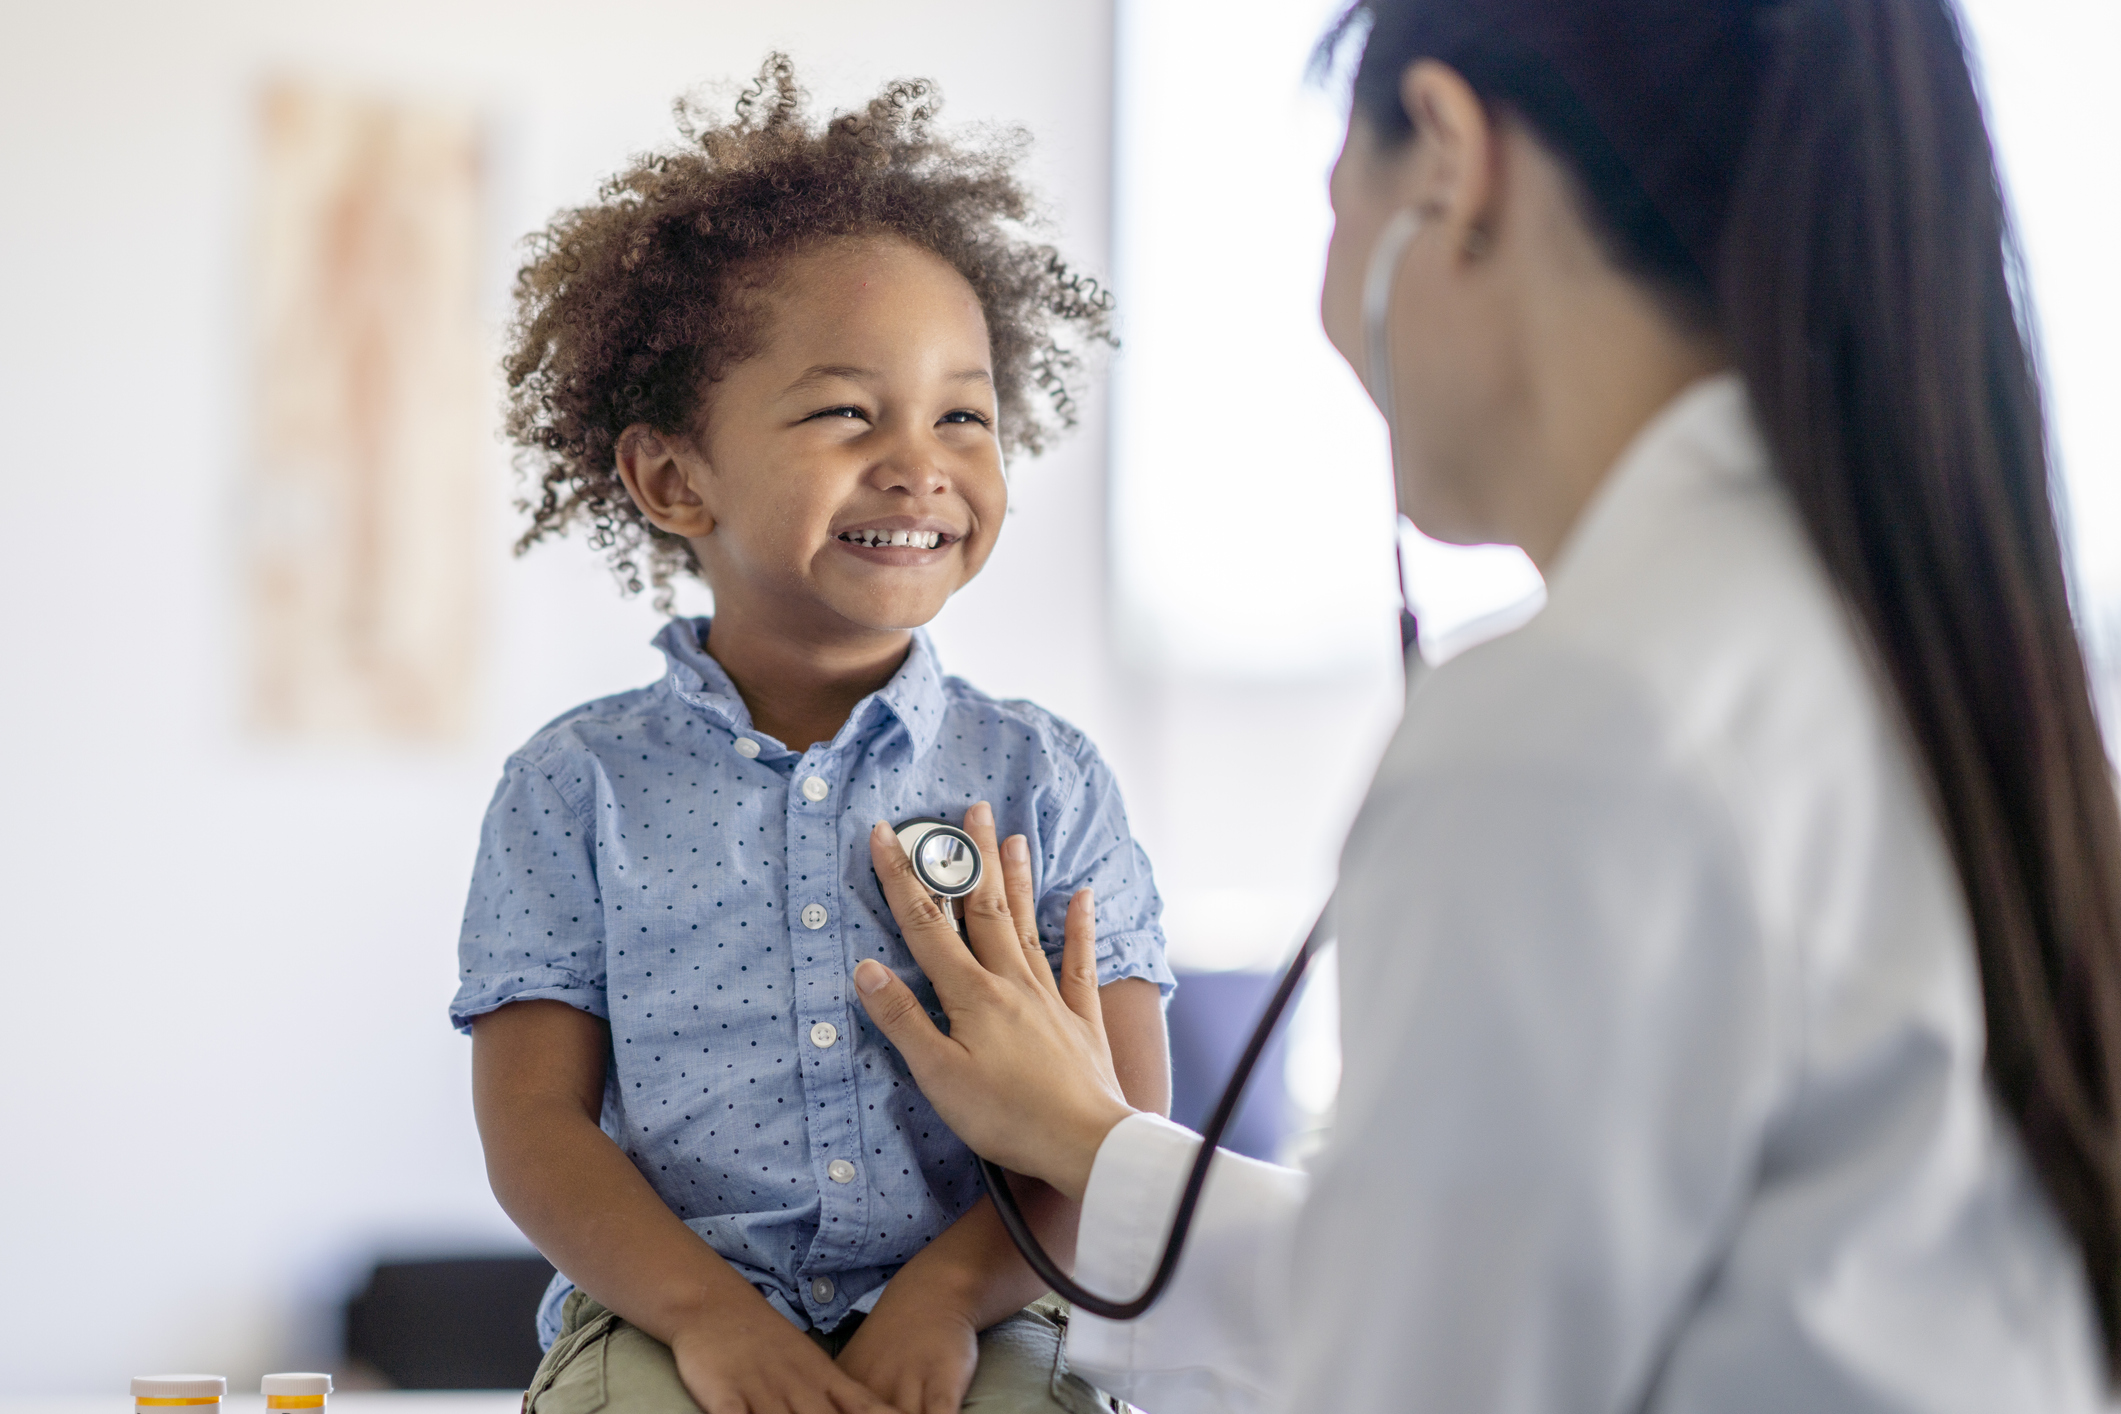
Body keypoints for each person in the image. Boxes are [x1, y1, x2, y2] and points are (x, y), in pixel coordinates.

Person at [846, 1, 2121, 1410]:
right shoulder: (1880, 637)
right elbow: (1533, 1276)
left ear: (1448, 164)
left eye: (1335, 210)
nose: (1331, 317)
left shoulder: (1574, 722)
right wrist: (1100, 1145)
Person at [450, 60, 1173, 1414]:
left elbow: (1119, 1128)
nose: (919, 461)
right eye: (848, 411)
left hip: (985, 1309)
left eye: (963, 413)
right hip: (670, 1322)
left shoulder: (1046, 780)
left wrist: (948, 1297)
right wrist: (709, 1320)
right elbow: (536, 1130)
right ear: (673, 477)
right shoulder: (574, 786)